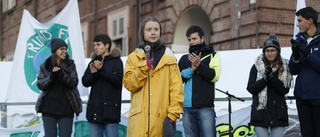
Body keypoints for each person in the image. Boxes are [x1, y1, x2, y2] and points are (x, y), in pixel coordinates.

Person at [123, 17, 184, 137]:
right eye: (149, 29)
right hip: (138, 122)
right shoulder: (133, 58)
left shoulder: (170, 59)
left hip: (161, 120)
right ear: (142, 32)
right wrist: (143, 68)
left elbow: (177, 90)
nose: (153, 32)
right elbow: (129, 84)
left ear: (160, 32)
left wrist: (172, 116)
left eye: (156, 29)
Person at [178, 25, 221, 137]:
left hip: (205, 108)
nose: (191, 42)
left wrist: (199, 65)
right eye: (189, 40)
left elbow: (214, 76)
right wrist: (191, 69)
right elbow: (177, 79)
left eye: (194, 39)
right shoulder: (184, 58)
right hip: (187, 109)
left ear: (202, 38)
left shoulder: (213, 56)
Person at [246, 33, 293, 137]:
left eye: (272, 50)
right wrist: (265, 79)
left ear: (278, 52)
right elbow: (250, 88)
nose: (270, 53)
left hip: (277, 112)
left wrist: (272, 78)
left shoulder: (284, 67)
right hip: (260, 111)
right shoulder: (256, 66)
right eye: (267, 51)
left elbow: (285, 90)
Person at [36, 38, 82, 137]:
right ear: (55, 51)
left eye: (65, 49)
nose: (64, 51)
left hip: (66, 109)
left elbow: (74, 83)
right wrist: (52, 76)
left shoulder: (70, 64)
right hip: (48, 109)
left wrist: (61, 74)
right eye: (61, 49)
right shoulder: (45, 65)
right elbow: (40, 85)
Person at [82, 34, 123, 137]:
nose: (95, 47)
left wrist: (102, 70)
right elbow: (85, 82)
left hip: (110, 112)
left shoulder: (117, 62)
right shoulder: (93, 62)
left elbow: (118, 81)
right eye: (94, 45)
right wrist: (93, 73)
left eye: (98, 44)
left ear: (107, 45)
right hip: (94, 112)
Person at [289, 6, 320, 137]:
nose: (298, 24)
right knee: (306, 134)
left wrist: (306, 53)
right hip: (302, 97)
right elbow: (293, 70)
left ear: (310, 21)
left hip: (318, 97)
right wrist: (296, 55)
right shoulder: (299, 40)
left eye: (300, 21)